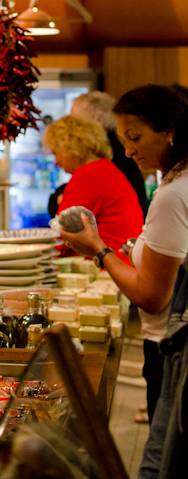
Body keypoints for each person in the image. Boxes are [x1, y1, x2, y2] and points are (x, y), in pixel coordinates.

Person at [60, 84, 188, 430]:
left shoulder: (172, 195)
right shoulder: (177, 181)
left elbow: (151, 296)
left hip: (169, 348)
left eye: (135, 137)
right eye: (123, 139)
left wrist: (99, 250)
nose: (128, 150)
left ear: (169, 131)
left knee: (161, 461)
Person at [44, 115, 143, 261]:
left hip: (107, 268)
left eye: (55, 152)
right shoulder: (105, 168)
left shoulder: (89, 174)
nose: (56, 162)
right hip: (122, 261)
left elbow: (61, 236)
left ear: (69, 146)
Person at [48, 91, 149, 218]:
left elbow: (65, 222)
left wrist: (59, 198)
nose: (56, 162)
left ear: (86, 126)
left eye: (73, 123)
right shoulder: (107, 159)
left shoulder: (97, 165)